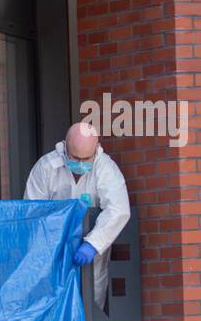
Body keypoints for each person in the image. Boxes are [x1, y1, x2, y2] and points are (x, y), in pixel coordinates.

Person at [24, 121, 131, 310]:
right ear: (64, 147)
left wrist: (93, 244)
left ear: (96, 150)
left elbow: (119, 209)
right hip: (52, 252)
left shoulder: (105, 168)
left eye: (86, 159)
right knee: (51, 305)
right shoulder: (46, 168)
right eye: (74, 158)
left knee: (90, 304)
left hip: (89, 255)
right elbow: (32, 212)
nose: (80, 164)